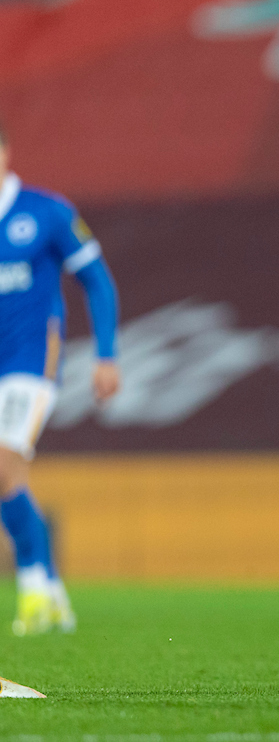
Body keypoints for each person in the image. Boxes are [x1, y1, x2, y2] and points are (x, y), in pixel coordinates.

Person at [0, 121, 121, 635]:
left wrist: (106, 354)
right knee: (9, 482)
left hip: (31, 363)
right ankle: (51, 593)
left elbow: (96, 280)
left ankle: (32, 589)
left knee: (3, 468)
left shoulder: (45, 211)